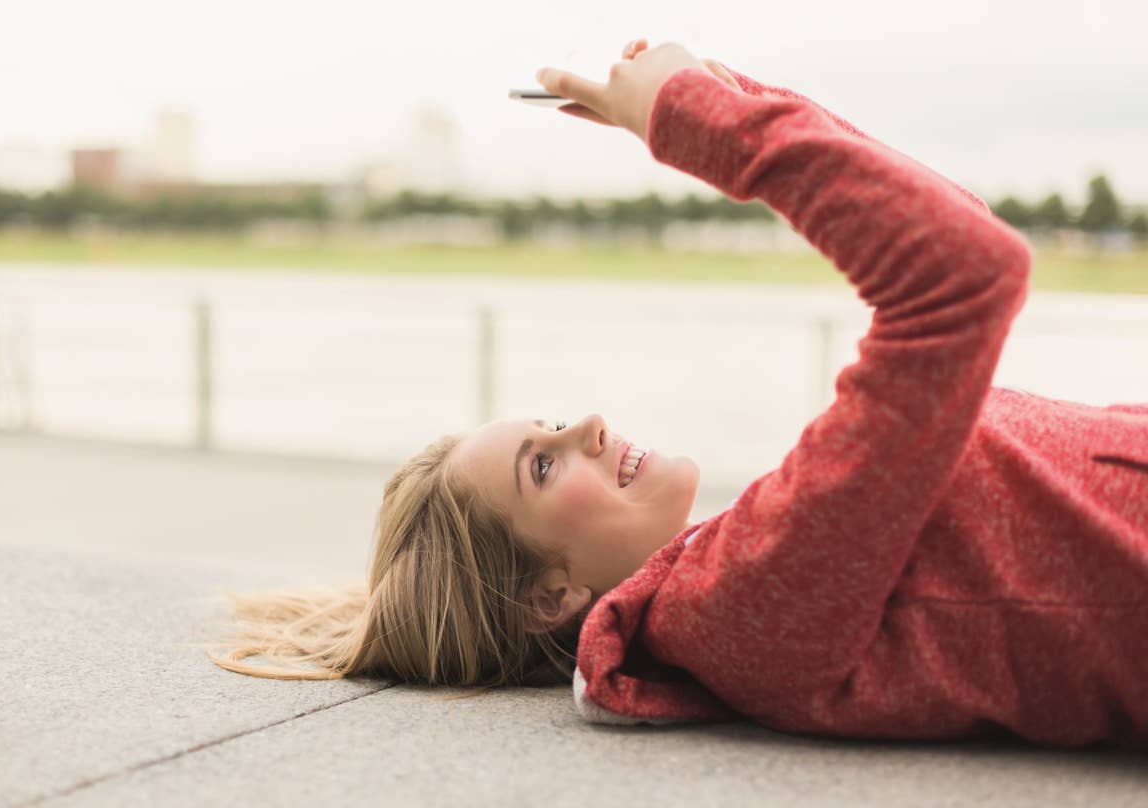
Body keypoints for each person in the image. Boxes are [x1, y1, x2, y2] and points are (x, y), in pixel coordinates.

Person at [208, 40, 1148, 749]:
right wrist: (693, 118)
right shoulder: (741, 604)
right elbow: (963, 275)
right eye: (542, 463)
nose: (589, 422)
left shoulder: (758, 556)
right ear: (548, 598)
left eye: (551, 424)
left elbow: (959, 226)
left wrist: (726, 96)